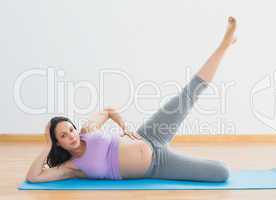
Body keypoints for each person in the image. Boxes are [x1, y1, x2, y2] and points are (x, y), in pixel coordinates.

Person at [25, 16, 237, 183]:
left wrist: (124, 126)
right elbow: (34, 177)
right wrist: (46, 145)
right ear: (57, 142)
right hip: (158, 166)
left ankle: (224, 44)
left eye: (70, 129)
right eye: (63, 135)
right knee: (222, 172)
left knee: (188, 94)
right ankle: (225, 44)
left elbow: (108, 110)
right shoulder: (72, 167)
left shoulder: (87, 131)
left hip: (149, 134)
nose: (71, 135)